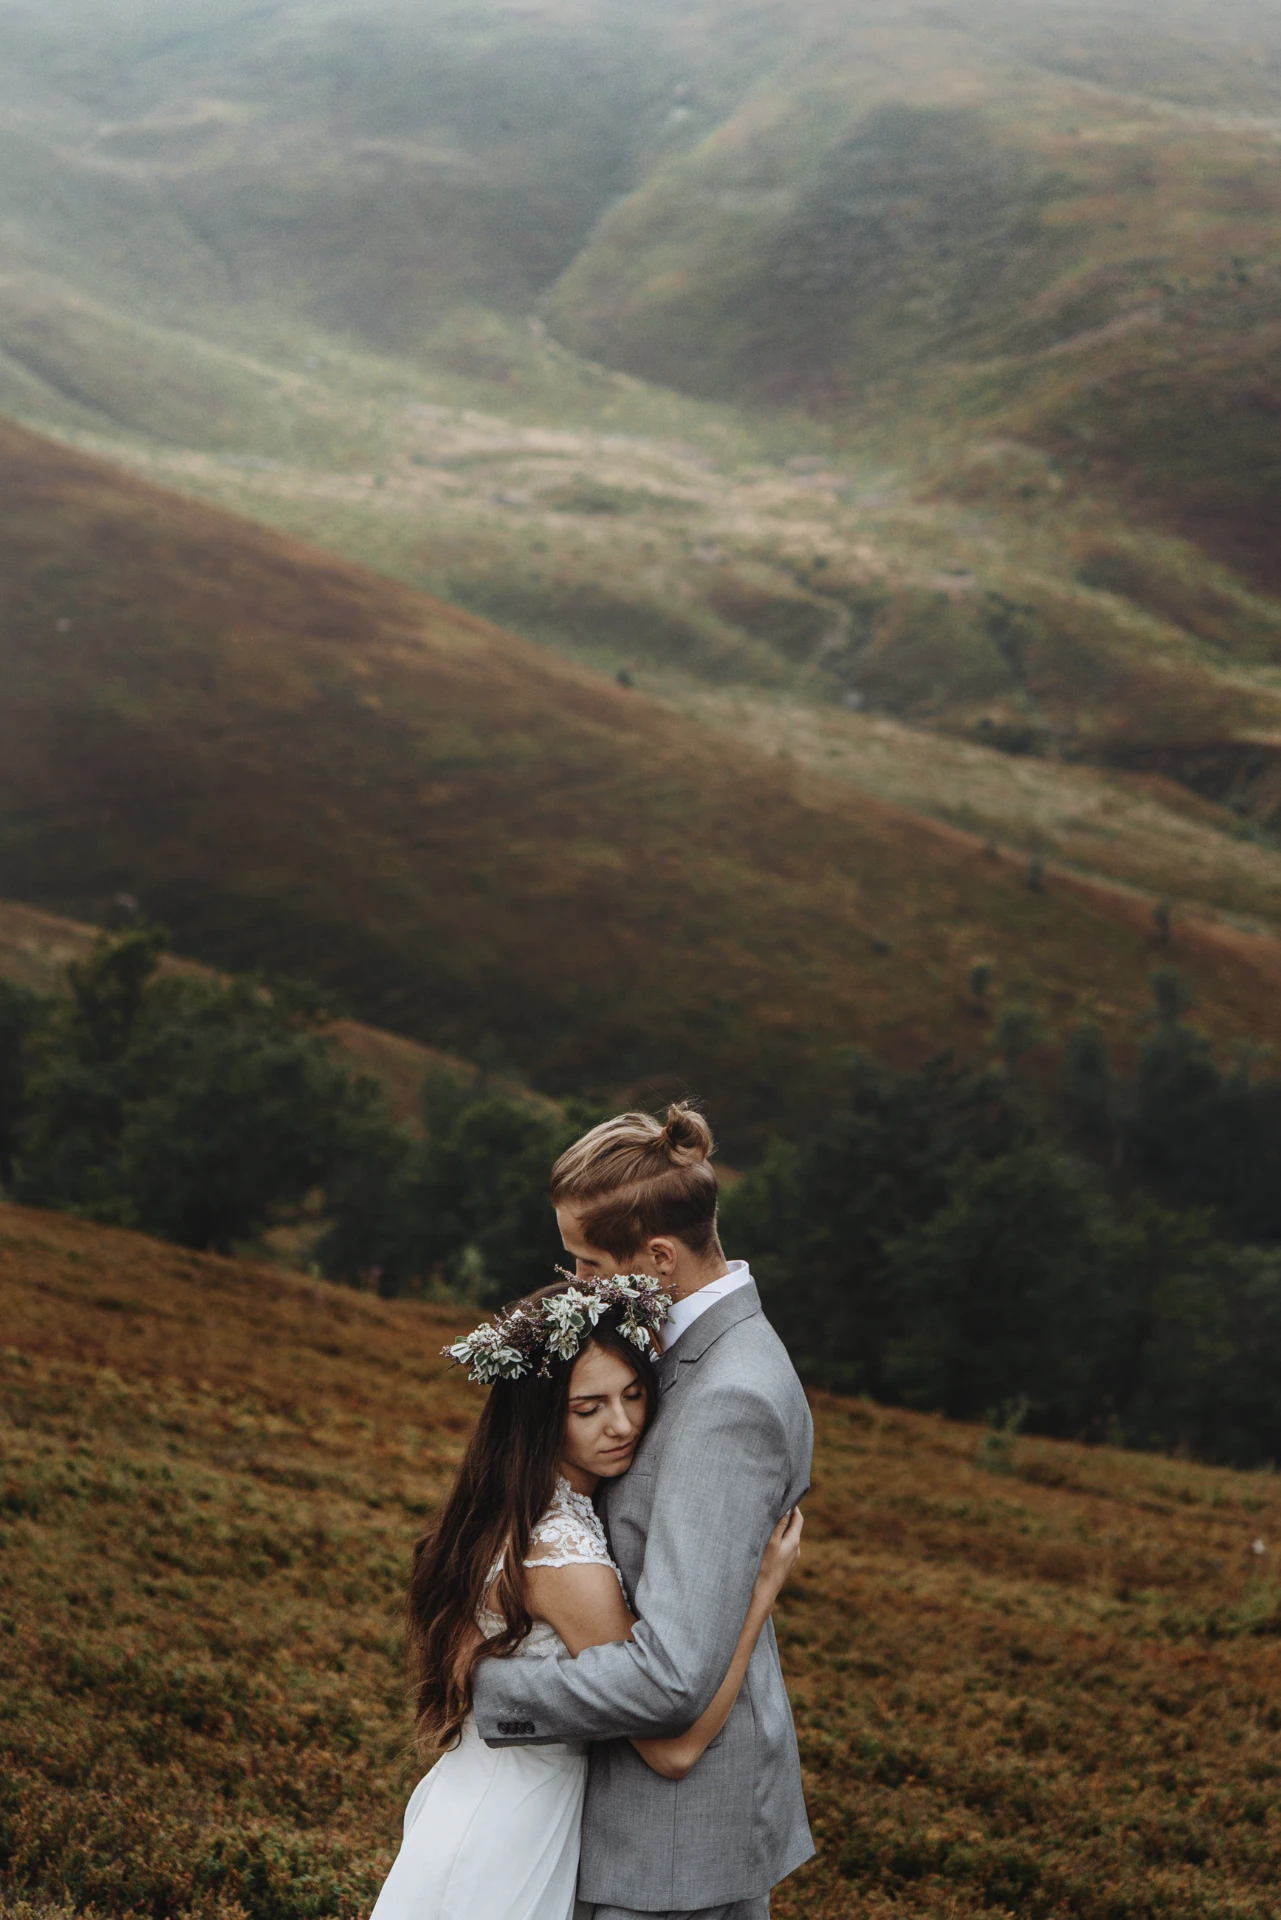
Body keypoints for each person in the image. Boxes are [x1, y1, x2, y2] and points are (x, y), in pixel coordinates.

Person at [370, 1267, 803, 1920]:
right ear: (540, 1417)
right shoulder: (562, 1553)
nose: (622, 1424)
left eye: (633, 1394)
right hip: (515, 1838)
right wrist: (758, 1593)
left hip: (471, 1805)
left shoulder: (505, 1511)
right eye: (588, 1408)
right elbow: (673, 1749)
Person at [472, 1103, 815, 1920]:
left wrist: (490, 1686)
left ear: (658, 1257)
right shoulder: (686, 1348)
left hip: (666, 1854)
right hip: (640, 1836)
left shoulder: (728, 1399)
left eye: (587, 1264)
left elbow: (671, 1680)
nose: (574, 1284)